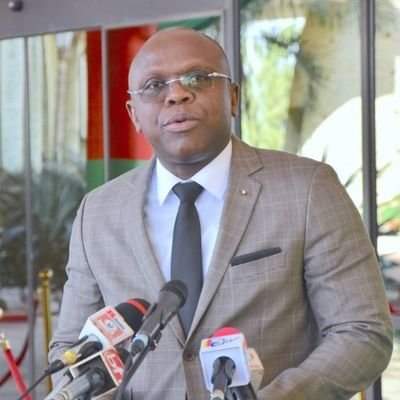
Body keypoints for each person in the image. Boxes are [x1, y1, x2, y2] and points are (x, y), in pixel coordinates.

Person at [49, 28, 393, 400]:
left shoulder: (307, 189)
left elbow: (362, 332)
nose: (176, 95)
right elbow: (70, 349)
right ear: (134, 113)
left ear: (232, 96)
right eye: (154, 85)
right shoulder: (98, 211)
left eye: (197, 78)